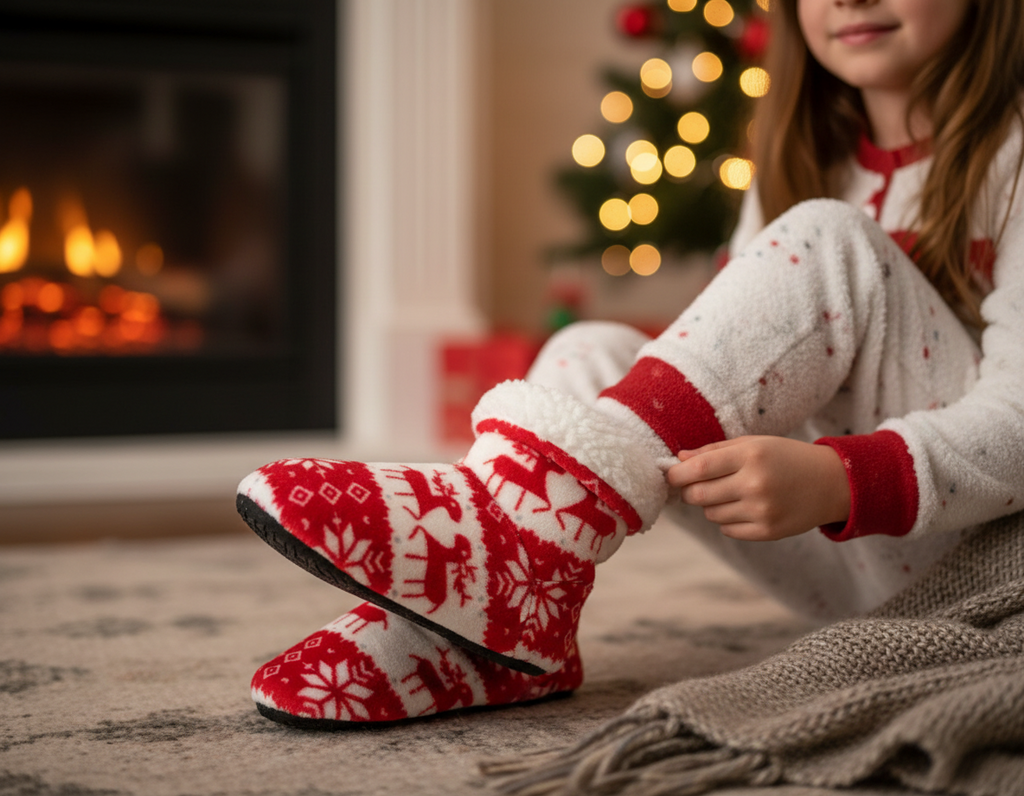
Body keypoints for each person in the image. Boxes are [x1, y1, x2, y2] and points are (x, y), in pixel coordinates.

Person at [236, 0, 1024, 727]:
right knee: (585, 352)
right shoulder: (799, 154)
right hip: (837, 564)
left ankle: (497, 540)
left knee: (830, 237)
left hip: (975, 565)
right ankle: (493, 635)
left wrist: (839, 479)